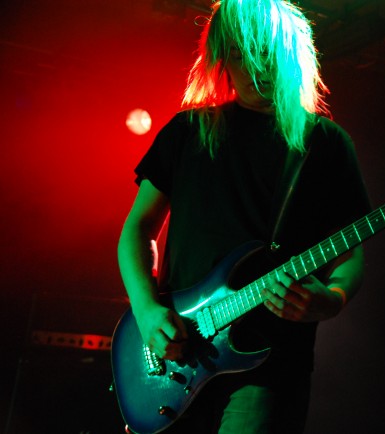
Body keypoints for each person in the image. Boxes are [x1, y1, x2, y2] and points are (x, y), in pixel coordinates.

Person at [117, 0, 371, 432]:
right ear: (221, 57)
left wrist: (333, 299)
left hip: (272, 362)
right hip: (179, 350)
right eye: (238, 51)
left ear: (289, 51)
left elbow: (350, 251)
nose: (253, 65)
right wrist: (146, 311)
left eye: (264, 49)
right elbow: (137, 231)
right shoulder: (187, 132)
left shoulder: (326, 143)